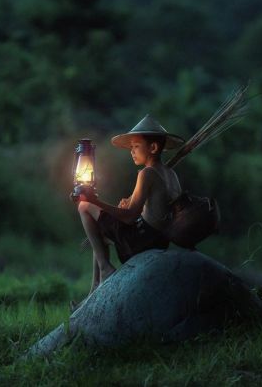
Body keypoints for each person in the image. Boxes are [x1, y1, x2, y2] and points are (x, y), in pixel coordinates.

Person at [73, 114, 184, 311]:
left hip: (141, 241)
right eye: (131, 147)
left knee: (83, 206)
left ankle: (106, 269)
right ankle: (94, 290)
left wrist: (94, 200)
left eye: (136, 146)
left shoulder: (147, 173)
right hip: (159, 240)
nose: (131, 152)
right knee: (100, 236)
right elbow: (155, 210)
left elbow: (130, 216)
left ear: (153, 148)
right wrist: (129, 203)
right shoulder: (171, 174)